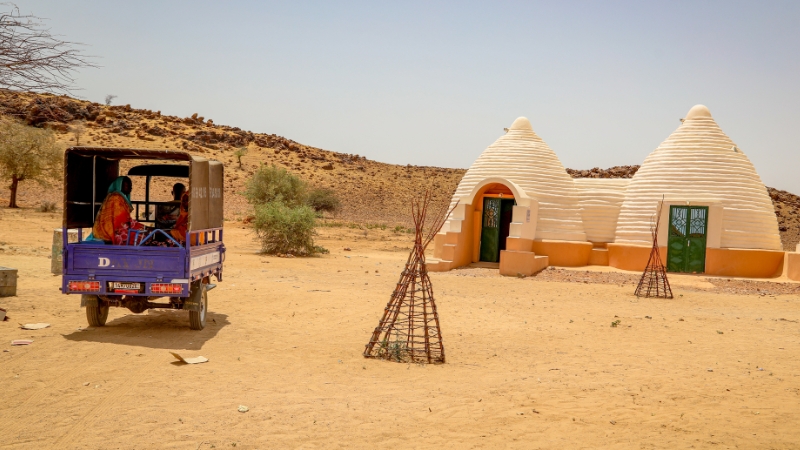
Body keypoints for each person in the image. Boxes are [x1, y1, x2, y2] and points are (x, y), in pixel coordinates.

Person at [90, 176, 144, 245]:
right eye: (128, 185)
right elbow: (121, 222)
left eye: (131, 185)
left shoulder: (117, 197)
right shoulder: (116, 198)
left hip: (116, 229)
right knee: (143, 236)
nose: (131, 188)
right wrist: (141, 227)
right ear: (120, 185)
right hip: (111, 232)